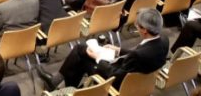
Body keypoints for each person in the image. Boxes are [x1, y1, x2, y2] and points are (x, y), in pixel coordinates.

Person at [37, 8, 169, 90]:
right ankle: (63, 84)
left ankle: (68, 88)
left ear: (144, 30)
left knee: (81, 57)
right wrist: (117, 49)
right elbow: (139, 53)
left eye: (137, 25)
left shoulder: (139, 55)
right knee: (81, 49)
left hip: (117, 82)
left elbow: (114, 75)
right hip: (138, 81)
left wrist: (98, 57)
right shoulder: (163, 40)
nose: (136, 26)